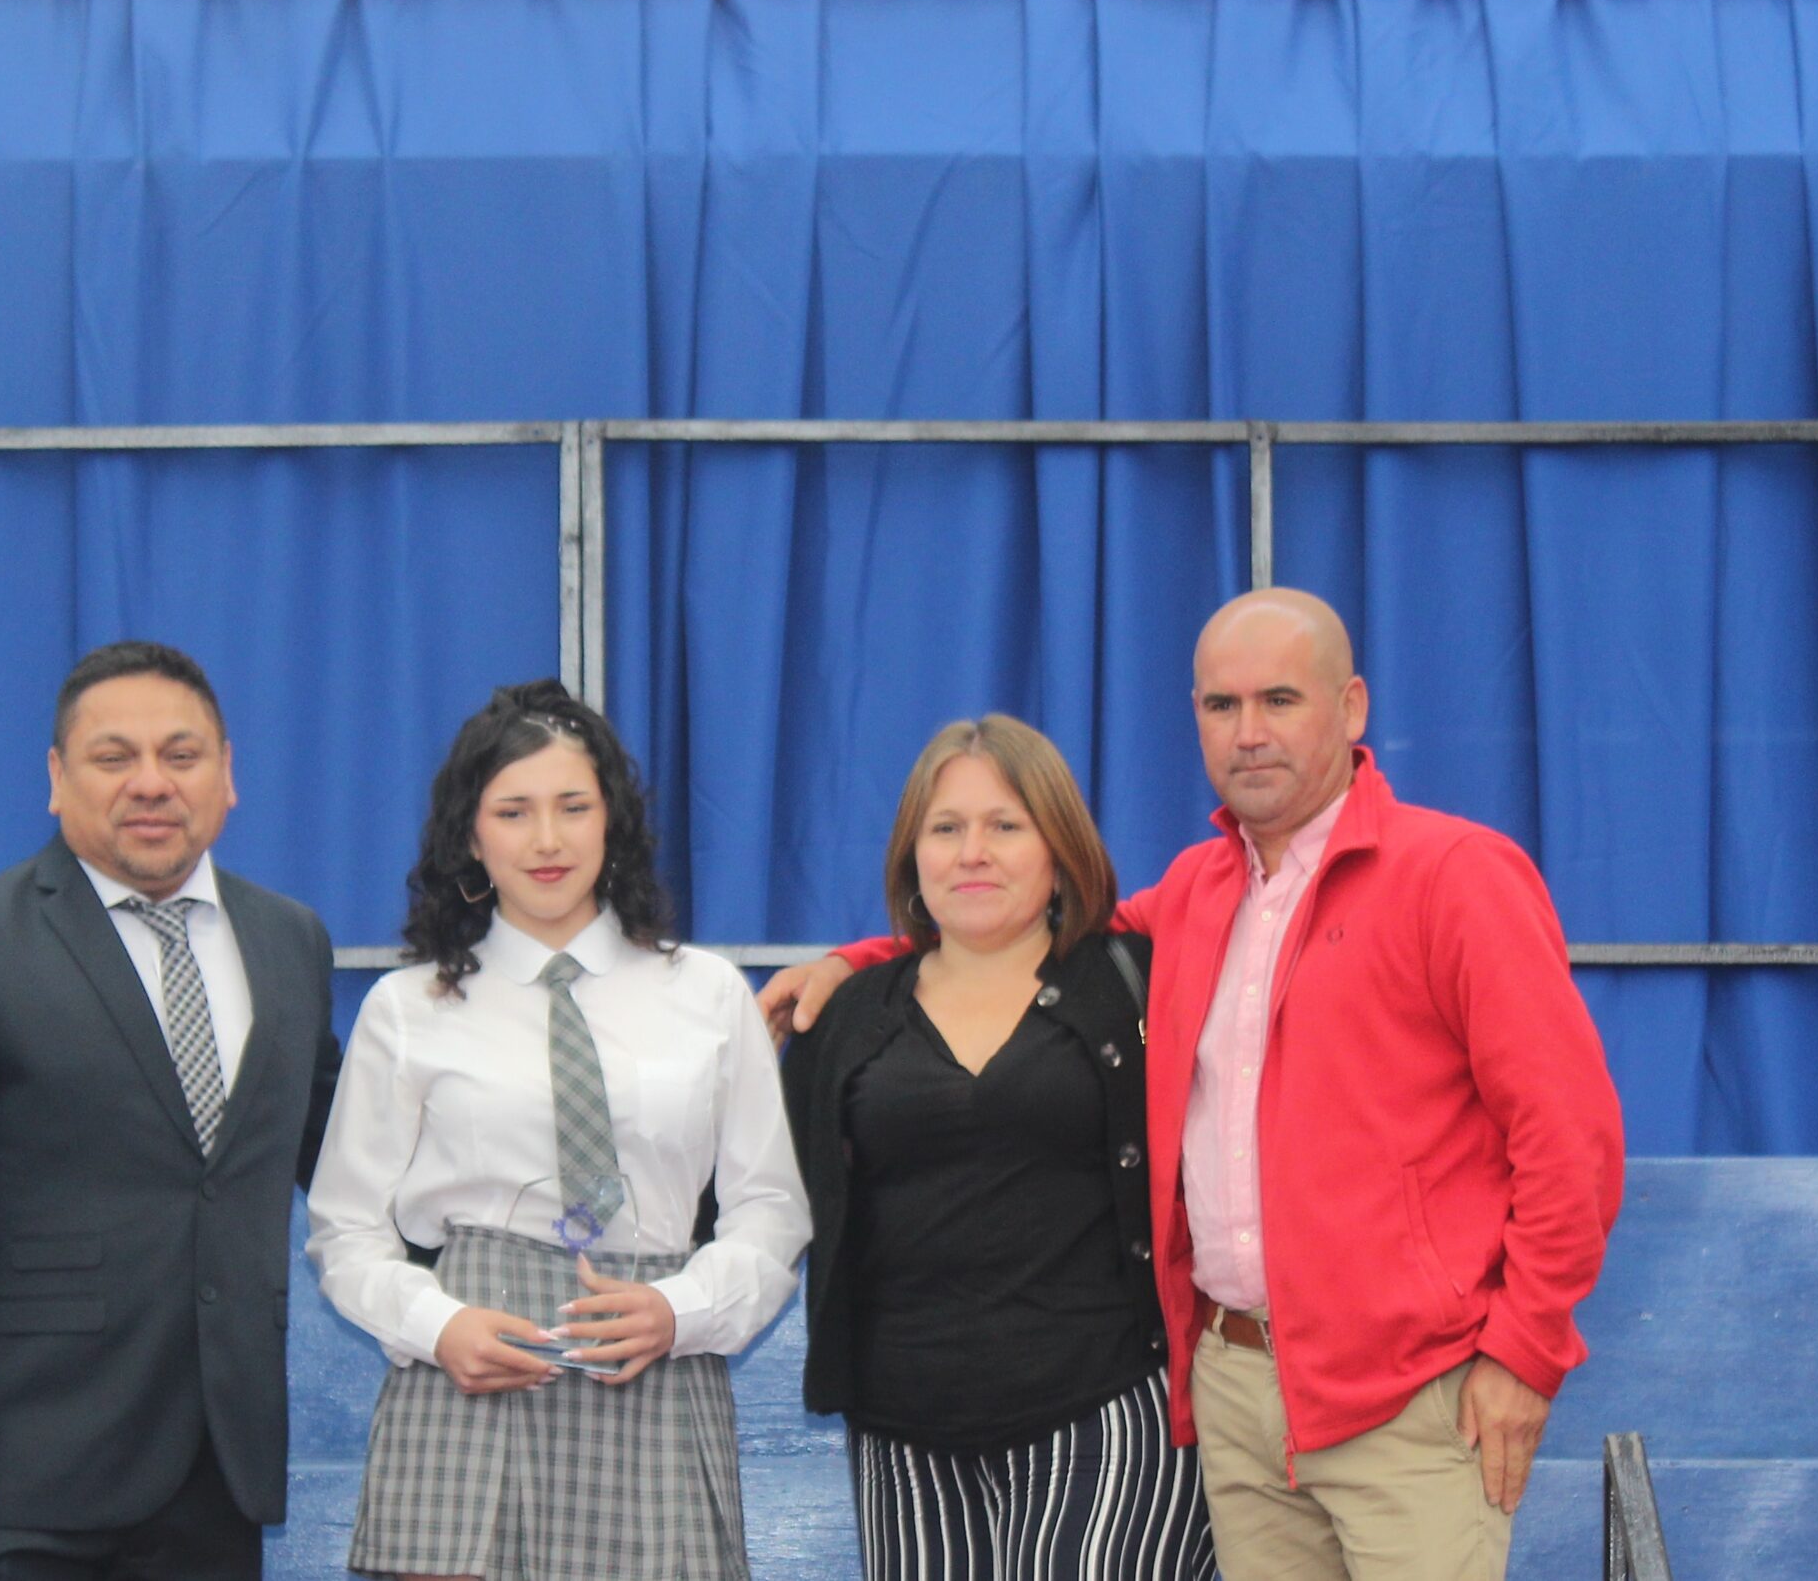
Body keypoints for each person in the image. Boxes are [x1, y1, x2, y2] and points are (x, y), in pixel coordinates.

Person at [761, 590, 1625, 1581]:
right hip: (1234, 1394)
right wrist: (858, 964)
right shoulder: (1195, 894)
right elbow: (1020, 937)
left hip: (1409, 1400)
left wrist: (1524, 1352)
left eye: (1279, 700)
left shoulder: (1455, 875)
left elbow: (1571, 1138)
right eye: (1222, 705)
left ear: (1350, 708)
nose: (1248, 732)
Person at [0, 641, 341, 1581]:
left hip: (219, 1472)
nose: (151, 782)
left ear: (227, 774)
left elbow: (347, 1164)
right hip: (17, 1474)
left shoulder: (291, 940)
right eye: (114, 757)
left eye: (181, 755)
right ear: (55, 778)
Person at [306, 679, 812, 1581]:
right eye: (513, 812)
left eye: (573, 807)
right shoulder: (408, 1007)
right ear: (472, 836)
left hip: (655, 1369)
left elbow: (771, 1211)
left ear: (612, 820)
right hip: (467, 1379)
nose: (547, 840)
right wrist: (437, 1325)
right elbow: (345, 1231)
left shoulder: (706, 994)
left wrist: (679, 1311)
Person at [779, 715, 1214, 1581]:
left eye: (1005, 826)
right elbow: (770, 1208)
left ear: (1059, 848)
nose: (972, 853)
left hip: (1108, 1409)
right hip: (902, 1430)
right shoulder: (845, 1016)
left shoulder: (1140, 981)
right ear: (912, 857)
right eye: (946, 829)